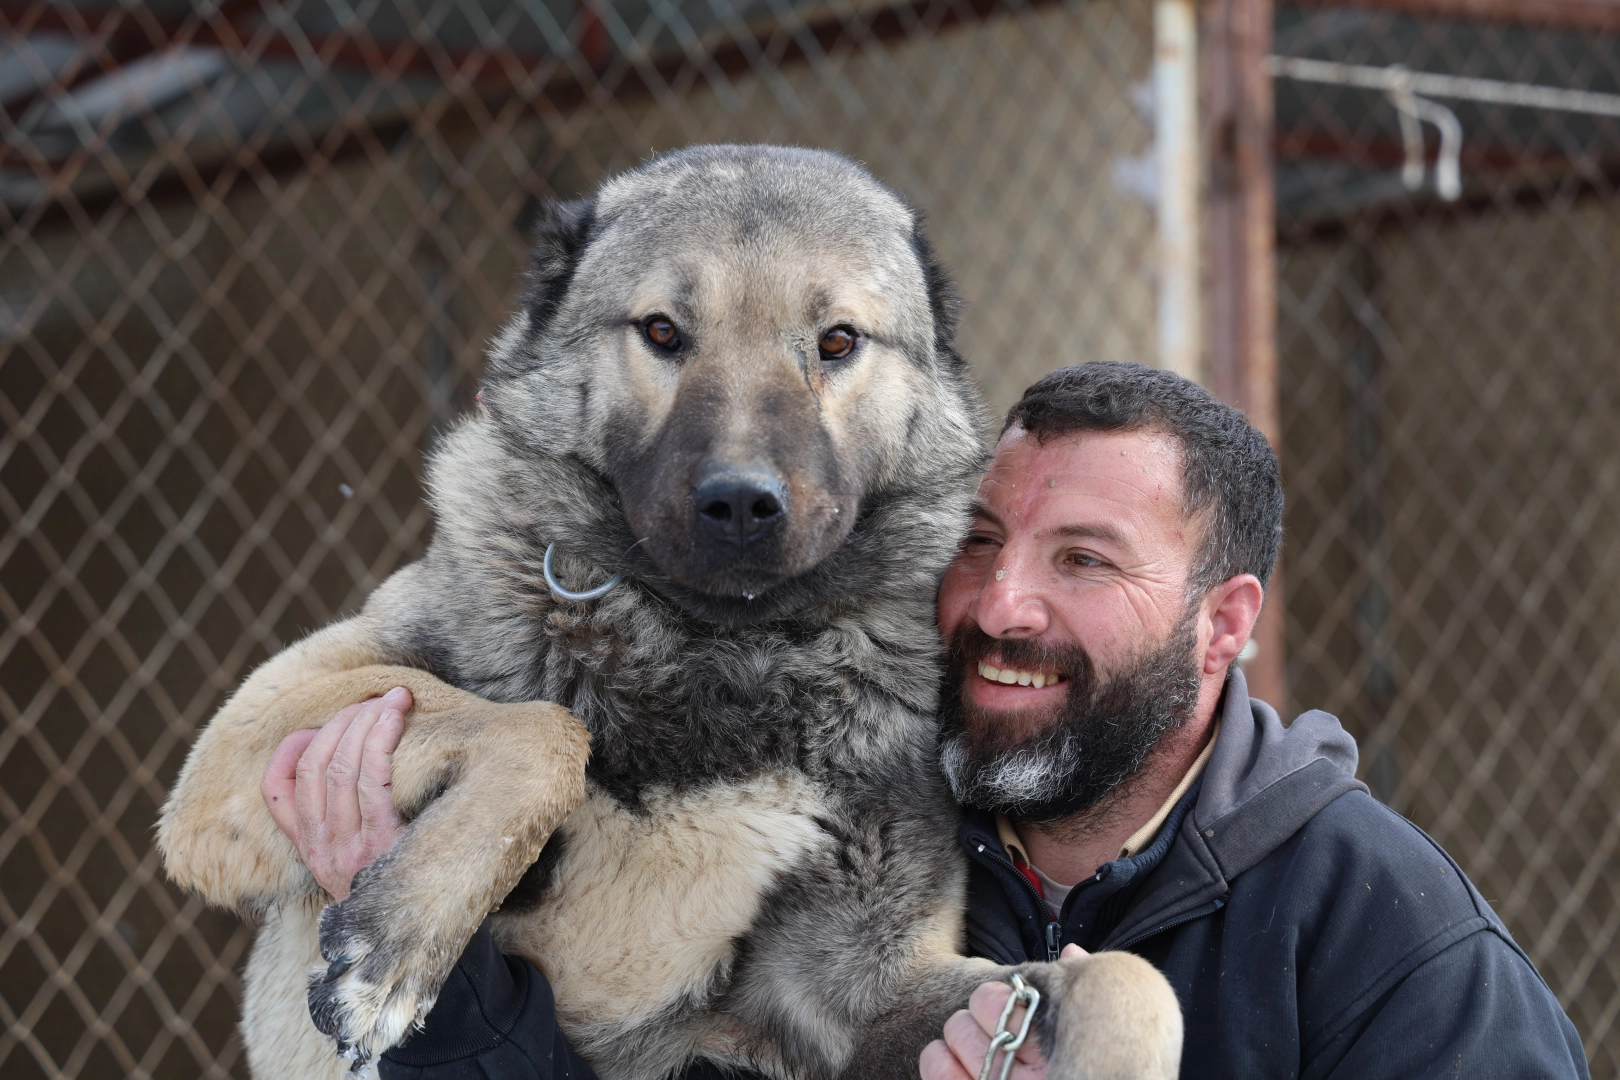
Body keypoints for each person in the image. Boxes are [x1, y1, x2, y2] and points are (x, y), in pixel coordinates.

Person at [264, 363, 1589, 1079]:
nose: (1000, 604)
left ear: (1225, 622)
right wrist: (433, 974)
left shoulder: (1379, 933)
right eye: (983, 539)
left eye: (1085, 560)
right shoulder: (840, 832)